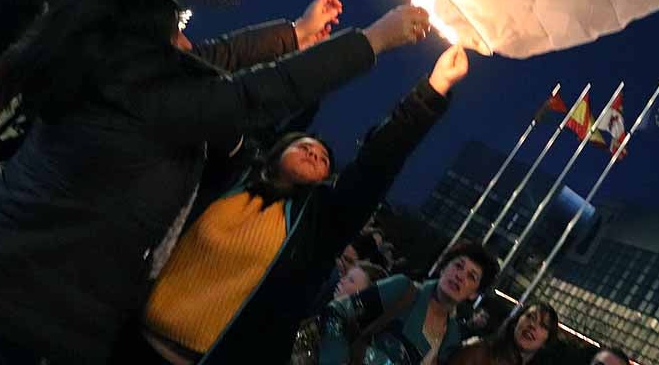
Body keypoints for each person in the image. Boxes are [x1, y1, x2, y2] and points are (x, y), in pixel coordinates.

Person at [0, 0, 428, 365]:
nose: (190, 41)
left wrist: (297, 32)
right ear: (147, 48)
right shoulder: (150, 100)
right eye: (176, 34)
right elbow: (257, 92)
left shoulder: (111, 79)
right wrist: (372, 40)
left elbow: (215, 57)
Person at [131, 44, 472, 365]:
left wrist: (431, 91)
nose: (314, 152)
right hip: (127, 336)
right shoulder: (229, 175)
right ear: (279, 149)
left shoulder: (317, 224)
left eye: (323, 158)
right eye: (305, 145)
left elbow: (375, 165)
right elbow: (240, 100)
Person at [317, 240, 500, 365]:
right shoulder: (403, 289)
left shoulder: (451, 338)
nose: (460, 276)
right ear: (444, 267)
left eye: (471, 276)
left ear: (474, 294)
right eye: (458, 266)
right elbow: (337, 312)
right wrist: (335, 359)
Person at [443, 303, 559, 365]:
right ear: (516, 322)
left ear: (546, 341)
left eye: (543, 325)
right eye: (530, 317)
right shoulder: (478, 352)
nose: (532, 325)